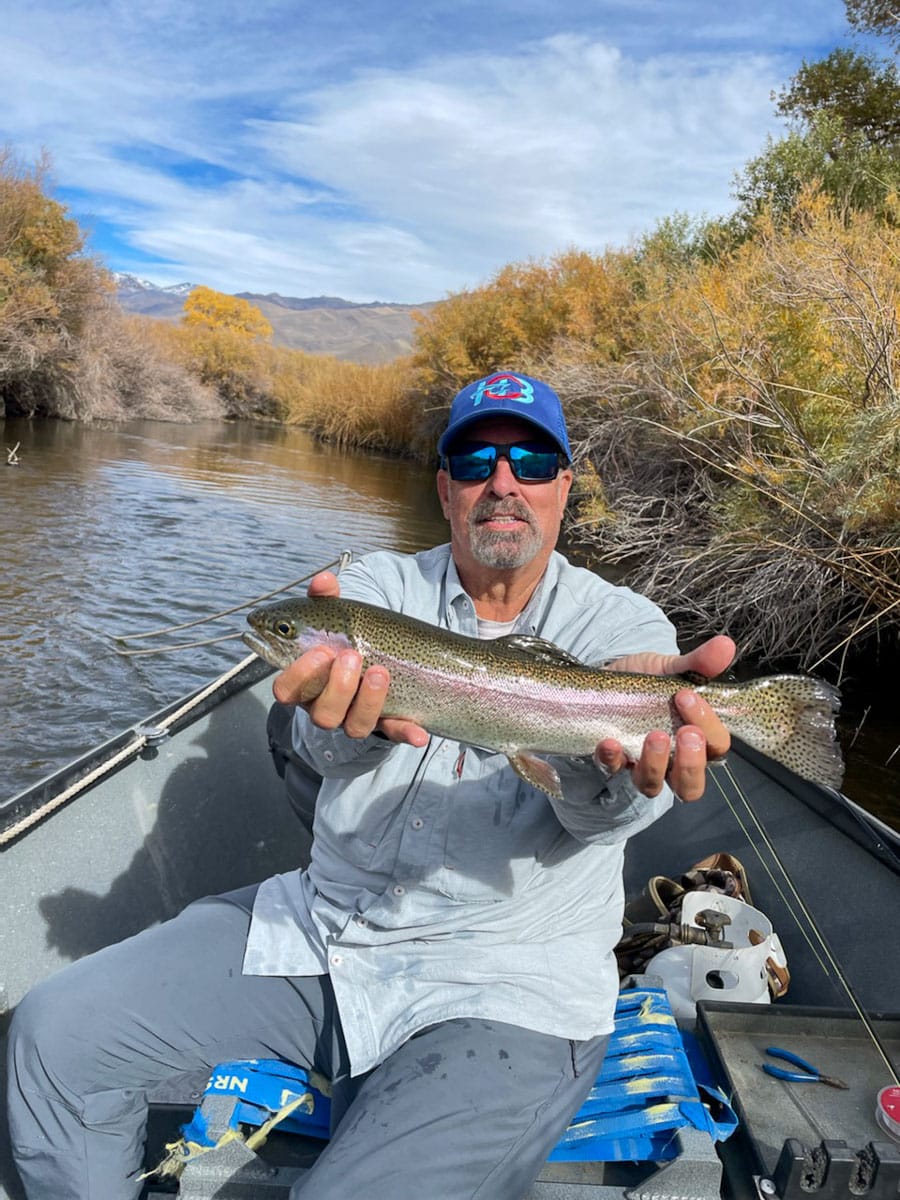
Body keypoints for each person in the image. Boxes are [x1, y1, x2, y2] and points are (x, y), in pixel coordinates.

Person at [7, 371, 734, 1200]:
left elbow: (610, 821)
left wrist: (612, 765)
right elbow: (316, 745)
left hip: (509, 980)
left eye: (531, 461)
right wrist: (339, 726)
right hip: (329, 929)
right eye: (475, 461)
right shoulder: (374, 592)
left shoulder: (625, 632)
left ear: (564, 486)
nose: (503, 483)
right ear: (444, 487)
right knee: (54, 1034)